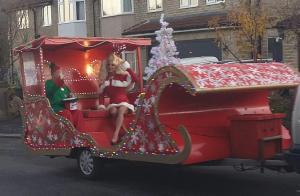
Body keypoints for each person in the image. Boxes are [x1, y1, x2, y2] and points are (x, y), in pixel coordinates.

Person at [99, 54, 136, 145]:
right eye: (108, 65)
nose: (110, 67)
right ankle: (125, 132)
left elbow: (136, 79)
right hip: (113, 103)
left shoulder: (122, 76)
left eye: (112, 65)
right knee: (113, 112)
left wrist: (128, 68)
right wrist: (102, 105)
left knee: (121, 111)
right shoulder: (105, 79)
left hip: (124, 102)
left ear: (116, 65)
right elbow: (101, 95)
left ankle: (115, 134)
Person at [45, 62, 83, 130]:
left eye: (61, 72)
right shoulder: (48, 83)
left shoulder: (64, 85)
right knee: (66, 113)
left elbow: (69, 94)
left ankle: (79, 134)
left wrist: (71, 96)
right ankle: (70, 134)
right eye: (58, 72)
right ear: (53, 73)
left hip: (65, 107)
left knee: (78, 113)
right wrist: (58, 82)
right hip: (55, 109)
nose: (60, 74)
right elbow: (49, 92)